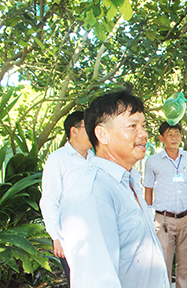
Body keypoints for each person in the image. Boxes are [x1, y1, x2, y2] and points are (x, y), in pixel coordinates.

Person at [58, 90, 170, 288]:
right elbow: (96, 281)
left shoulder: (128, 182)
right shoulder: (92, 194)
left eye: (143, 126)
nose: (143, 134)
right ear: (102, 134)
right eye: (132, 126)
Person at [144, 122, 187, 288]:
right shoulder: (152, 161)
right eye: (169, 134)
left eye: (177, 134)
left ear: (181, 136)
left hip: (186, 217)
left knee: (186, 263)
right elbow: (148, 190)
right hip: (163, 219)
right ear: (161, 138)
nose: (174, 138)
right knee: (163, 262)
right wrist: (148, 217)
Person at [40, 111, 94, 284]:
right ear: (74, 131)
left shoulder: (94, 159)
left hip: (95, 232)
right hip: (70, 237)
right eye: (89, 127)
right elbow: (49, 200)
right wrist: (56, 237)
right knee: (78, 281)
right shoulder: (58, 160)